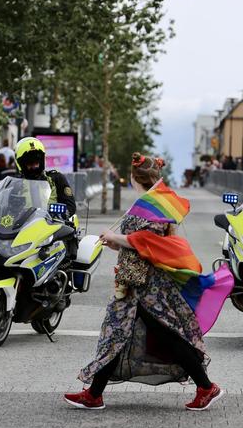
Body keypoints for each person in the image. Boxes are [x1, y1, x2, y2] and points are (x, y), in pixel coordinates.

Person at [64, 152, 223, 411]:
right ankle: (94, 393)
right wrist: (115, 242)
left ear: (134, 179)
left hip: (144, 285)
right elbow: (141, 245)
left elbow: (146, 242)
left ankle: (206, 386)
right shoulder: (151, 204)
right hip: (140, 281)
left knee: (132, 333)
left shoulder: (149, 207)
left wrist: (116, 237)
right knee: (125, 334)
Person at [14, 137, 76, 216]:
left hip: (51, 225)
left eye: (36, 162)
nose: (34, 166)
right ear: (21, 164)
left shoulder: (56, 178)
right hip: (25, 226)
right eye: (30, 163)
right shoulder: (17, 184)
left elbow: (70, 206)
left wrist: (60, 215)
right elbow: (7, 210)